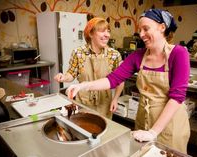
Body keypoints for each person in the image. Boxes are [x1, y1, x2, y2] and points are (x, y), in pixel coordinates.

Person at [66, 9, 190, 153]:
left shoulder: (179, 53)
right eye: (140, 30)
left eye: (146, 29)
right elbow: (113, 79)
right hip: (143, 119)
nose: (141, 34)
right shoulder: (138, 56)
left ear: (162, 27)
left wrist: (153, 132)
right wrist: (82, 85)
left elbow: (177, 97)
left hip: (170, 124)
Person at [54, 17, 124, 119]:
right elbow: (71, 73)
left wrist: (115, 99)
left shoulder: (114, 54)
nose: (107, 35)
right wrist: (63, 77)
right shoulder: (78, 53)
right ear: (90, 34)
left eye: (108, 31)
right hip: (83, 102)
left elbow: (120, 80)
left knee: (104, 132)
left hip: (104, 104)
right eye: (102, 31)